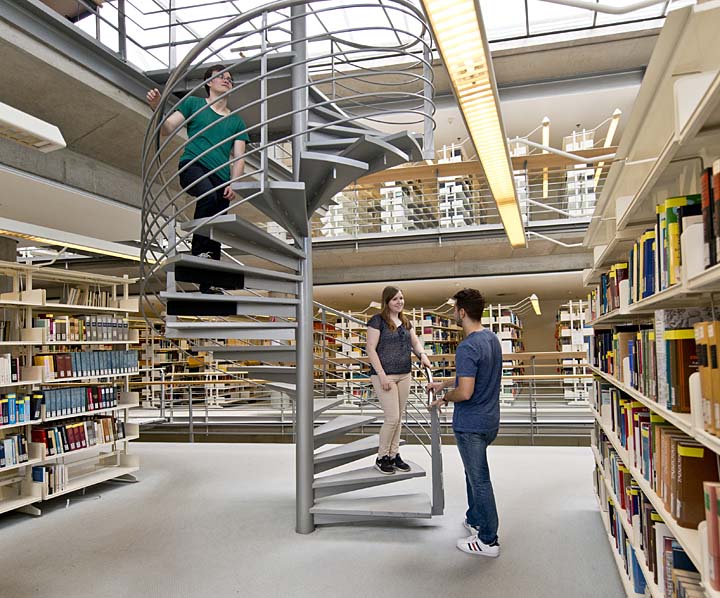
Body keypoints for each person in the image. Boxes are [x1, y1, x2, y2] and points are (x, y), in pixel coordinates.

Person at [146, 65, 249, 292]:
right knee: (209, 198)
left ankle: (208, 283)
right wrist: (156, 108)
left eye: (230, 78)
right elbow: (167, 128)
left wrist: (234, 183)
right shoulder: (193, 104)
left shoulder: (237, 122)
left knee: (217, 227)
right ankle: (197, 254)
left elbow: (240, 157)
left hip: (221, 177)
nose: (226, 80)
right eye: (221, 77)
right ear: (208, 84)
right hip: (193, 166)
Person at [428, 288, 502, 558]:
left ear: (462, 311)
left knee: (479, 479)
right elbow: (470, 376)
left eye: (454, 309)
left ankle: (488, 540)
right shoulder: (491, 339)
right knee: (473, 474)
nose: (453, 314)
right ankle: (475, 518)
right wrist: (443, 383)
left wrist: (445, 397)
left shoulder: (467, 346)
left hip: (471, 424)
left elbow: (466, 391)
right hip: (490, 420)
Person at [367, 286, 432, 475]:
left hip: (405, 373)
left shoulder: (405, 321)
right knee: (392, 418)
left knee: (399, 417)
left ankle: (394, 454)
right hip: (385, 376)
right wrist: (382, 376)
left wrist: (422, 355)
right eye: (395, 299)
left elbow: (415, 342)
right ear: (386, 301)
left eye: (402, 298)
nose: (400, 302)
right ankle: (381, 457)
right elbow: (371, 349)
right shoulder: (377, 321)